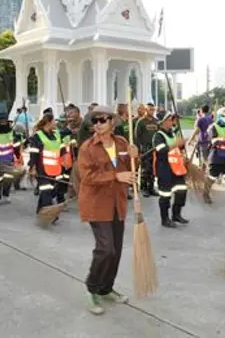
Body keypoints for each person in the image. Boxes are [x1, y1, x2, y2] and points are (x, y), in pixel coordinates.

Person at [76, 105, 138, 315]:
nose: (99, 124)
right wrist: (115, 176)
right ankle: (91, 287)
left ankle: (106, 288)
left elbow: (130, 169)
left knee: (116, 250)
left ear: (112, 122)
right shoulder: (87, 148)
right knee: (106, 249)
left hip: (117, 203)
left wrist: (134, 157)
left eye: (103, 120)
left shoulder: (121, 142)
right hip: (96, 203)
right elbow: (87, 177)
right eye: (95, 121)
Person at [27, 113, 70, 216]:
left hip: (56, 169)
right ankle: (50, 216)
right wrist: (32, 168)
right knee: (46, 191)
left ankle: (40, 210)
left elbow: (63, 145)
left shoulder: (56, 134)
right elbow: (33, 153)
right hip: (42, 170)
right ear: (49, 122)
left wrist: (65, 159)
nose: (55, 123)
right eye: (54, 121)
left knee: (51, 192)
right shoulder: (37, 136)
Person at [153, 112, 188, 227]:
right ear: (162, 122)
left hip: (176, 168)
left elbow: (178, 148)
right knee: (165, 195)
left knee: (182, 190)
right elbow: (161, 150)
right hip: (164, 170)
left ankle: (176, 215)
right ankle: (165, 219)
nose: (171, 122)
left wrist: (182, 145)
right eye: (169, 120)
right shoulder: (158, 136)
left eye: (171, 119)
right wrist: (176, 144)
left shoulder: (172, 133)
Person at [0, 114, 22, 205]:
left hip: (1, 159)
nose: (3, 122)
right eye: (2, 120)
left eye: (4, 120)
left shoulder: (10, 132)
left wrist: (18, 156)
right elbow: (16, 146)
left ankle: (4, 195)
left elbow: (16, 146)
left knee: (7, 179)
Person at [135, 103, 160, 197]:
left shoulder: (156, 121)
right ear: (146, 110)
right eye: (150, 109)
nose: (152, 111)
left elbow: (159, 134)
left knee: (153, 168)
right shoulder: (141, 122)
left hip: (154, 148)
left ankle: (151, 187)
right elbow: (137, 136)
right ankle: (144, 188)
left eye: (153, 109)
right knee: (145, 169)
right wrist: (139, 149)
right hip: (145, 149)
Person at [188, 104, 212, 170]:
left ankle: (208, 172)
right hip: (209, 140)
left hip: (203, 140)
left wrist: (190, 140)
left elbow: (196, 131)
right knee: (206, 156)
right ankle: (205, 171)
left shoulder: (200, 119)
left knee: (203, 158)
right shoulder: (210, 119)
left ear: (201, 110)